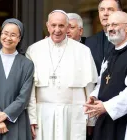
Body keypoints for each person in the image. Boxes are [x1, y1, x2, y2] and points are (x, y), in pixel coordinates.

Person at [26, 10, 98, 140]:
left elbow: (90, 88)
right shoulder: (34, 50)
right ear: (47, 26)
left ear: (67, 27)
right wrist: (32, 118)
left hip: (74, 115)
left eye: (61, 26)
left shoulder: (83, 51)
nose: (57, 30)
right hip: (43, 115)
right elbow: (30, 90)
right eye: (53, 25)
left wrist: (91, 120)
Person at [84, 11, 127, 140]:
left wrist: (106, 106)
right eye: (108, 25)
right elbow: (102, 83)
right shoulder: (110, 54)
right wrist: (94, 97)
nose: (110, 28)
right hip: (107, 120)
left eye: (114, 24)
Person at [0, 18, 34, 140]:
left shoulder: (27, 64)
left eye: (13, 35)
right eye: (5, 33)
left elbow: (24, 96)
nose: (8, 38)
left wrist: (6, 114)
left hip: (17, 120)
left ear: (19, 38)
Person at [85, 0, 127, 74]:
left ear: (120, 12)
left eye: (110, 9)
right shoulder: (89, 42)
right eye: (102, 10)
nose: (105, 13)